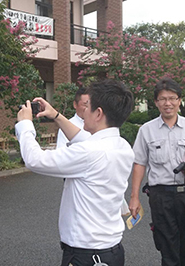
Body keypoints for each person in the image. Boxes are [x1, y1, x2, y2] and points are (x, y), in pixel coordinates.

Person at [15, 79, 134, 266]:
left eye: (87, 106)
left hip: (87, 254)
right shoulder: (122, 146)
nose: (83, 111)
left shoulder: (90, 152)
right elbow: (84, 139)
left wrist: (25, 125)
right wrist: (56, 115)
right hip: (110, 250)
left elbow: (34, 160)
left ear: (99, 113)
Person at [129, 77, 185, 266]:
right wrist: (134, 196)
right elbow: (139, 163)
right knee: (166, 243)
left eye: (172, 98)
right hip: (161, 195)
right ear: (156, 102)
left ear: (179, 100)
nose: (168, 103)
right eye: (162, 99)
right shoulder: (147, 130)